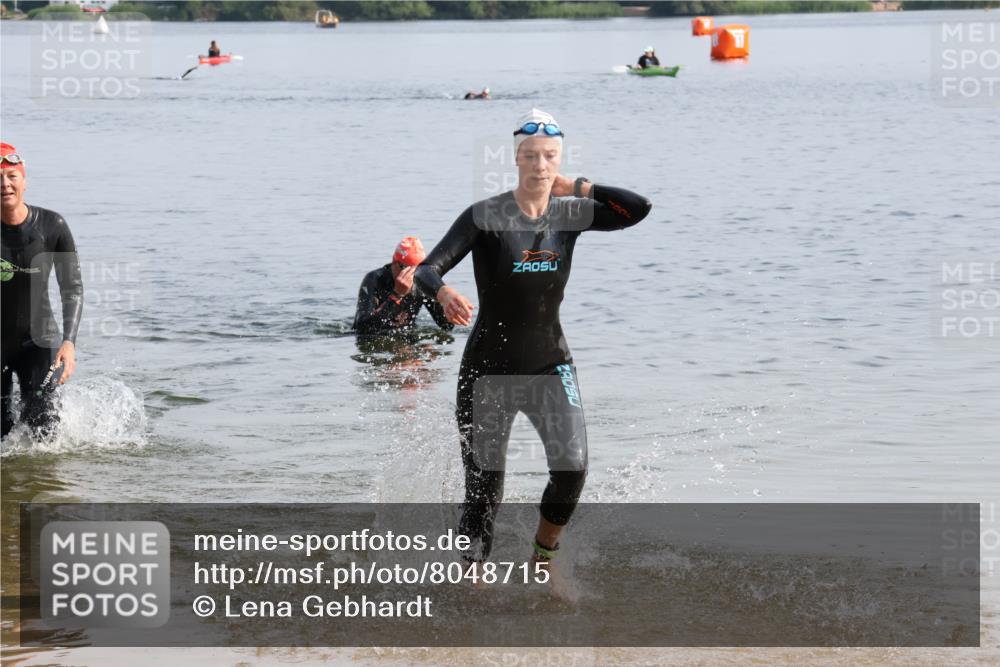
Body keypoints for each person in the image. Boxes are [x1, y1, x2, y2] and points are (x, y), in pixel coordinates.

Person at [414, 110, 651, 568]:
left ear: (559, 160)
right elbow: (426, 268)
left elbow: (636, 209)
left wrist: (579, 188)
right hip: (488, 369)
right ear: (516, 159)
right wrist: (442, 292)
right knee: (484, 490)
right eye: (531, 156)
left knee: (572, 470)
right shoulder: (486, 216)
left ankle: (542, 556)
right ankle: (471, 581)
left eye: (550, 157)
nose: (541, 166)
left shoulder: (571, 214)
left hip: (549, 363)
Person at [1, 143, 83, 439]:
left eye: (11, 176)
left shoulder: (52, 226)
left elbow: (72, 287)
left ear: (24, 180)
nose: (5, 184)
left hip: (40, 341)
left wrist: (69, 343)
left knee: (44, 434)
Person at [353, 236, 454, 336]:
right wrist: (397, 295)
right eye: (407, 269)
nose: (412, 275)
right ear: (395, 263)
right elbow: (362, 328)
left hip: (407, 340)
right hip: (377, 341)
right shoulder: (374, 280)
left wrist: (444, 298)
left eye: (418, 270)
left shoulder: (421, 281)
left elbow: (447, 325)